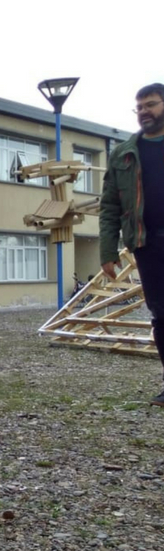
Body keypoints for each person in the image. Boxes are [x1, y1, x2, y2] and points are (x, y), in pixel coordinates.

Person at [100, 82, 164, 407]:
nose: (144, 112)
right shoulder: (123, 153)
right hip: (147, 244)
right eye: (139, 108)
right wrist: (107, 252)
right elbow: (109, 206)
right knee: (161, 316)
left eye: (150, 105)